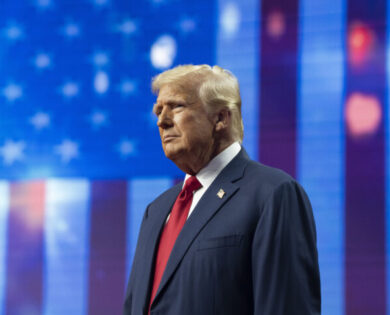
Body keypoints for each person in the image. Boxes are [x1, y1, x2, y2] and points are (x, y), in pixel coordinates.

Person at [123, 65, 321, 315]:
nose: (162, 121)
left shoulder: (272, 194)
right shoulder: (157, 210)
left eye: (177, 106)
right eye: (158, 111)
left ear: (220, 118)